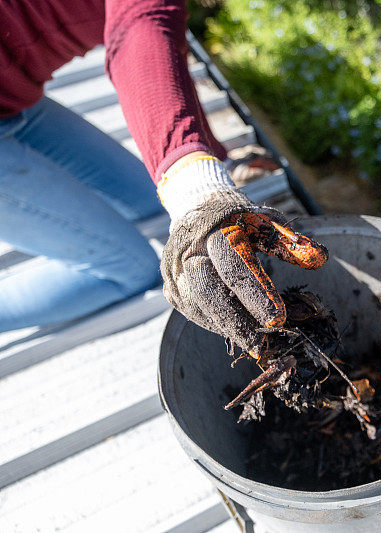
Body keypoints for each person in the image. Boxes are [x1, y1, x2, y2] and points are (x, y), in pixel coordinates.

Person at [0, 0, 328, 358]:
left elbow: (165, 43)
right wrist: (198, 189)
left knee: (152, 196)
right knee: (135, 269)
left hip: (13, 100)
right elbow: (139, 26)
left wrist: (209, 156)